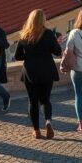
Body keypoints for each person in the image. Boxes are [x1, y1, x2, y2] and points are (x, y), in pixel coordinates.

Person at [15, 9, 62, 139]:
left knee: (32, 101)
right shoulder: (48, 34)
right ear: (43, 20)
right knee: (45, 100)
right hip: (47, 70)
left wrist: (30, 55)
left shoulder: (24, 35)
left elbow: (18, 56)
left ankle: (36, 130)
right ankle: (48, 121)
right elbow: (58, 52)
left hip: (30, 71)